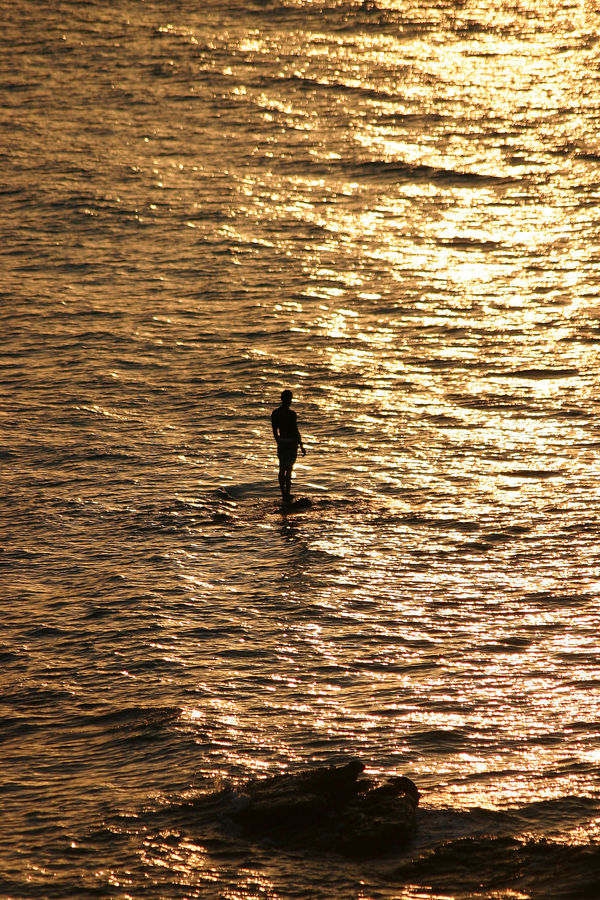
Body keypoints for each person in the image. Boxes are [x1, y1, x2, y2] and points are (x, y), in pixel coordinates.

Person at [271, 390, 305, 503]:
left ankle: (284, 494)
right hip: (291, 443)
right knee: (289, 469)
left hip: (282, 442)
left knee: (282, 468)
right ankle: (287, 493)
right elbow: (295, 431)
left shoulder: (275, 413)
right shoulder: (291, 414)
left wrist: (279, 442)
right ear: (289, 400)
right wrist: (301, 445)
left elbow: (275, 431)